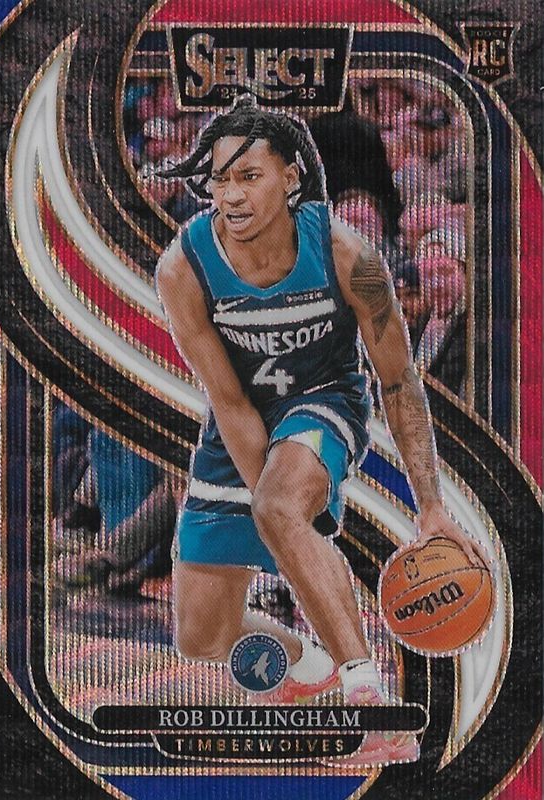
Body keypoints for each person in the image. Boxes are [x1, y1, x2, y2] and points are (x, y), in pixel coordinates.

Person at [155, 97, 479, 766]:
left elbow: (399, 382)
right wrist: (279, 526)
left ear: (292, 177)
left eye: (249, 176)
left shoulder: (346, 253)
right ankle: (310, 665)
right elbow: (229, 401)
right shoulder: (182, 267)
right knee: (202, 636)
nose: (231, 194)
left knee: (280, 506)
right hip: (241, 418)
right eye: (220, 179)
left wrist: (431, 507)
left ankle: (368, 701)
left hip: (323, 401)